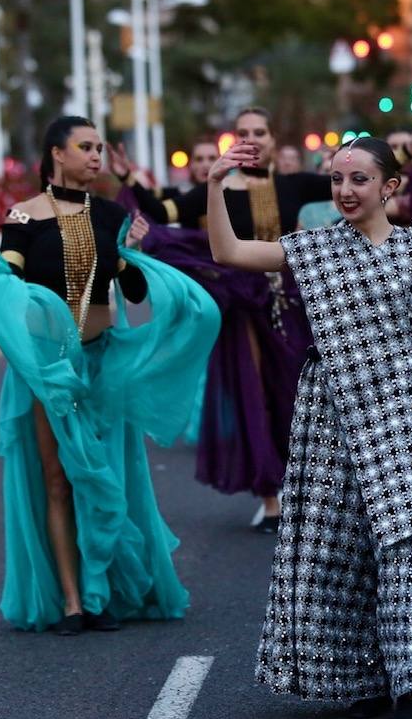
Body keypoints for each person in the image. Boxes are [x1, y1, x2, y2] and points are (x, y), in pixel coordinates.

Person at [208, 136, 412, 719]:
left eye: (359, 180)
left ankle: (408, 683)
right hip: (329, 416)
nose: (345, 191)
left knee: (402, 545)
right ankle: (361, 679)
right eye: (336, 180)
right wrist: (213, 187)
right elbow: (229, 252)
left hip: (399, 413)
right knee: (341, 551)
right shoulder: (313, 245)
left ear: (389, 187)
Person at [0, 115, 219, 634]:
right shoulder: (24, 215)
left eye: (99, 147)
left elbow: (130, 294)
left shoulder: (110, 214)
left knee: (107, 477)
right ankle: (71, 602)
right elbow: (11, 281)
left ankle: (103, 593)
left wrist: (133, 256)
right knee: (59, 480)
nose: (95, 156)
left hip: (103, 362)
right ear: (57, 154)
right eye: (85, 147)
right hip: (50, 369)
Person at [114, 107, 331, 532]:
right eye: (244, 133)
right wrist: (129, 181)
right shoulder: (220, 189)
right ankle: (272, 499)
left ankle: (311, 492)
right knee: (257, 398)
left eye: (260, 132)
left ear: (272, 139)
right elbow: (162, 212)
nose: (253, 139)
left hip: (292, 303)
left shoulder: (292, 185)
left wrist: (403, 155)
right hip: (243, 308)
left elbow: (357, 182)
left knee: (301, 397)